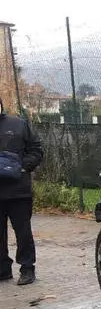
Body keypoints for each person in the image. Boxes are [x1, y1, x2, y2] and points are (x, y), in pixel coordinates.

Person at [0, 97, 44, 285]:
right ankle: (3, 270)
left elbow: (37, 149)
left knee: (23, 231)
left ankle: (27, 268)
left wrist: (22, 167)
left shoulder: (18, 124)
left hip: (18, 191)